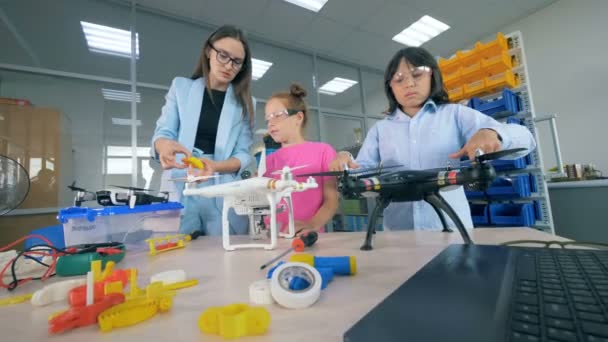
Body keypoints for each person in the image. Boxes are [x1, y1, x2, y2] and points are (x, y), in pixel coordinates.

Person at [329, 47, 536, 231]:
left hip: (453, 230)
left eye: (417, 75)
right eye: (399, 79)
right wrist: (346, 161)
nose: (409, 84)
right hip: (400, 235)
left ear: (432, 78)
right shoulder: (380, 129)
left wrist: (494, 133)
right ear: (390, 87)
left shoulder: (455, 114)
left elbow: (526, 140)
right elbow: (363, 174)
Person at [151, 25, 254, 236]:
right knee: (174, 250)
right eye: (223, 55)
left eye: (237, 61)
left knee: (223, 254)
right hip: (180, 179)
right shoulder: (181, 88)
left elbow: (243, 154)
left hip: (221, 183)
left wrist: (215, 166)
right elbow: (163, 133)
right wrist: (164, 146)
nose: (229, 65)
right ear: (208, 51)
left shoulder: (245, 103)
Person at [264, 84, 339, 236]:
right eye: (268, 118)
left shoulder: (323, 151)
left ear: (298, 117)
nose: (271, 123)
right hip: (272, 237)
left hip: (306, 237)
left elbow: (331, 199)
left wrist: (311, 224)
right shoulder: (269, 160)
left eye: (277, 115)